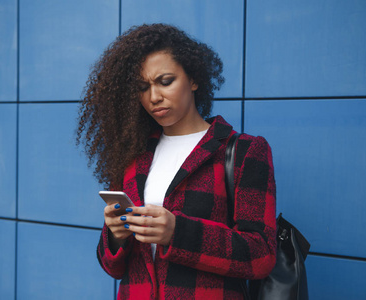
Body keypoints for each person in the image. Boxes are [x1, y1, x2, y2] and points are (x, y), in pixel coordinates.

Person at [77, 23, 276, 300]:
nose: (154, 97)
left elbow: (261, 255)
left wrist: (178, 233)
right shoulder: (135, 154)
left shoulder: (243, 151)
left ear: (193, 79)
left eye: (165, 81)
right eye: (142, 87)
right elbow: (114, 268)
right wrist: (116, 235)